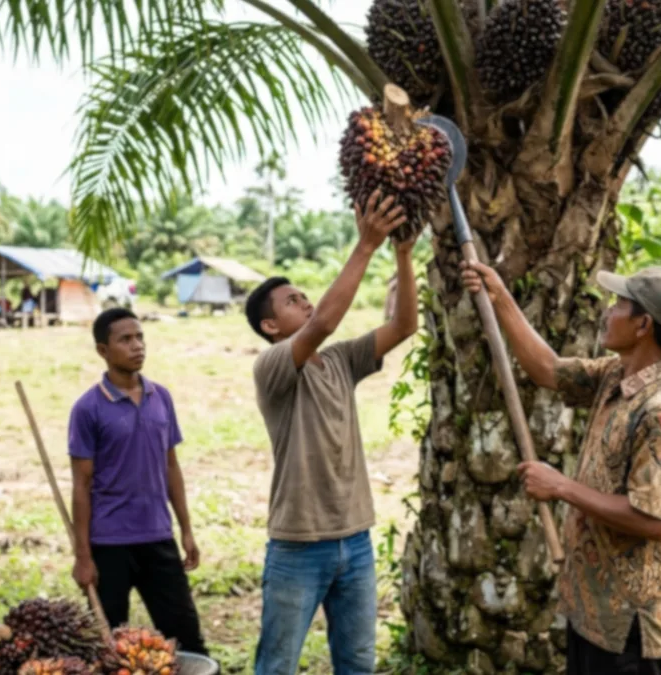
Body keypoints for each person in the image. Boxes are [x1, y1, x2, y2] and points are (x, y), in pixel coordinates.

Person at [461, 262, 661, 675]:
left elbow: (650, 520)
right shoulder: (616, 375)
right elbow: (548, 370)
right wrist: (499, 295)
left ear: (643, 324)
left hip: (627, 623)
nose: (608, 311)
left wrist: (561, 487)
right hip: (592, 608)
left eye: (618, 304)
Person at [244, 189, 417, 675]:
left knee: (358, 661)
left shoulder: (340, 360)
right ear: (271, 325)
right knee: (277, 664)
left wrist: (402, 252)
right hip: (298, 544)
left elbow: (404, 325)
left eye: (303, 294)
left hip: (355, 539)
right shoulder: (273, 367)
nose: (305, 301)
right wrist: (365, 246)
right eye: (292, 301)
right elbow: (323, 321)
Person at [68, 308, 208, 655]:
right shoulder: (88, 408)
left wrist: (186, 530)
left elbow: (171, 467)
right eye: (125, 340)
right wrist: (83, 556)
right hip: (109, 543)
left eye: (140, 337)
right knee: (107, 647)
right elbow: (81, 486)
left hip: (158, 537)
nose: (137, 346)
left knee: (186, 638)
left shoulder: (160, 397)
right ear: (103, 350)